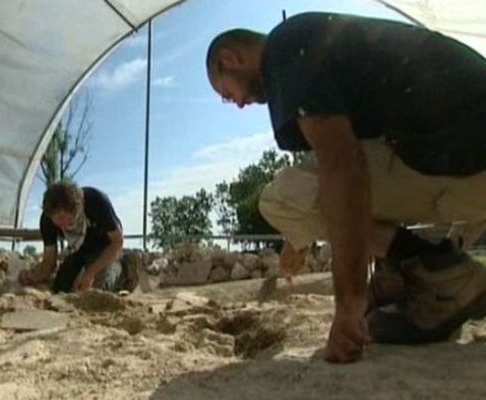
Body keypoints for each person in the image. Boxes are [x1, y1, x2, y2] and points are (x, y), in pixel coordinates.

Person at [206, 12, 486, 363]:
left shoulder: (284, 50)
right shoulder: (315, 42)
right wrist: (297, 239)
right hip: (457, 153)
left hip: (462, 157)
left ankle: (442, 273)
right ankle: (402, 276)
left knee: (280, 199)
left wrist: (348, 305)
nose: (238, 103)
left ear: (228, 59)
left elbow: (343, 165)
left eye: (227, 94)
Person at [19, 182, 126, 293]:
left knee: (94, 291)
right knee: (60, 288)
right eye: (55, 219)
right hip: (79, 250)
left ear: (75, 209)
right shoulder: (48, 220)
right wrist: (35, 276)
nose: (61, 224)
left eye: (62, 217)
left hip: (106, 247)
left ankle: (123, 269)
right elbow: (49, 261)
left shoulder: (96, 202)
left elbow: (117, 242)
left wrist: (90, 272)